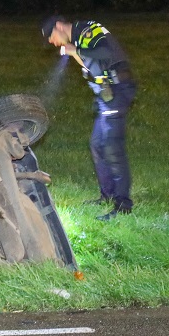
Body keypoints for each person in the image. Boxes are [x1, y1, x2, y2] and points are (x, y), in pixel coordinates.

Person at [41, 15, 136, 221]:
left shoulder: (88, 31)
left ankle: (123, 206)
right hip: (107, 95)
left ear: (59, 26)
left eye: (52, 36)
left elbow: (106, 53)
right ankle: (108, 195)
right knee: (97, 144)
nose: (52, 42)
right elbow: (93, 67)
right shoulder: (77, 41)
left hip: (118, 90)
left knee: (112, 148)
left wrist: (76, 50)